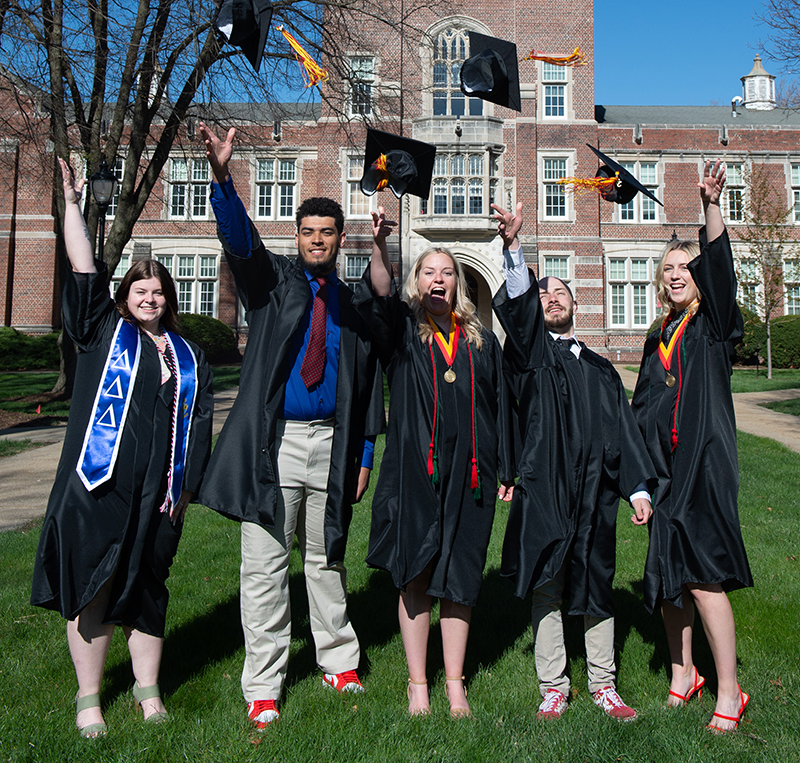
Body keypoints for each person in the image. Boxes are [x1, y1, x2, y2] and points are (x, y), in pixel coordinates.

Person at [196, 123, 382, 730]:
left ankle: (338, 659)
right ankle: (264, 683)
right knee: (266, 564)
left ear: (339, 238)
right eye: (308, 232)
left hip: (333, 441)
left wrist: (364, 456)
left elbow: (371, 384)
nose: (317, 241)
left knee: (326, 558)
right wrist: (223, 177)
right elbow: (240, 243)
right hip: (276, 444)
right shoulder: (271, 285)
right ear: (297, 236)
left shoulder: (351, 304)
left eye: (327, 233)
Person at [31, 158, 213, 737]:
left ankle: (148, 691)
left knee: (148, 588)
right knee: (96, 582)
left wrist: (186, 489)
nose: (150, 298)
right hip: (99, 486)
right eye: (140, 289)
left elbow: (201, 425)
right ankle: (89, 699)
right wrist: (74, 206)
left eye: (159, 291)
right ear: (125, 296)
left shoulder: (190, 356)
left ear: (171, 299)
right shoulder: (103, 334)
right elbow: (83, 267)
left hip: (159, 497)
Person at [492, 201, 656, 722]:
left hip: (595, 493)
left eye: (559, 291)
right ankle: (553, 685)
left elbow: (624, 431)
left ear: (576, 305)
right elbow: (518, 312)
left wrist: (638, 489)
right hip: (546, 485)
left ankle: (604, 684)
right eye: (544, 293)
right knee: (547, 581)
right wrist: (515, 249)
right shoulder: (530, 354)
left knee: (596, 580)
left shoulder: (602, 369)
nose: (551, 298)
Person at [354, 206, 514, 717]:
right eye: (429, 272)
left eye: (447, 272)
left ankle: (454, 681)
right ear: (418, 283)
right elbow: (380, 293)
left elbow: (500, 408)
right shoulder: (403, 335)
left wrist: (504, 467)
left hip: (471, 476)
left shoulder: (480, 343)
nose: (439, 279)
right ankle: (418, 682)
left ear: (458, 284)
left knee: (462, 575)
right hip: (415, 474)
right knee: (416, 572)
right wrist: (380, 246)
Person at [631, 160, 752, 732]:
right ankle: (684, 674)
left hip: (702, 465)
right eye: (669, 269)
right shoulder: (658, 335)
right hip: (664, 474)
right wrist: (638, 482)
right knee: (666, 581)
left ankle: (730, 689)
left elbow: (721, 269)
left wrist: (711, 205)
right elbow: (640, 410)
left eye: (686, 267)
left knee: (703, 578)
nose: (677, 275)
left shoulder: (714, 326)